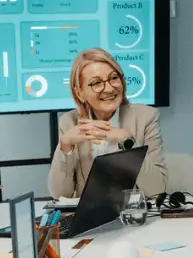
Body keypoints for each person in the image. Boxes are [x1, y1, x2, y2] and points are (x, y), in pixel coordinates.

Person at [48, 49, 167, 198]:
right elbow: (60, 194)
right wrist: (65, 146)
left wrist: (126, 141)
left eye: (114, 78)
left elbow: (157, 188)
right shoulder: (69, 122)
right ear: (80, 93)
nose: (109, 88)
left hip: (135, 216)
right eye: (96, 83)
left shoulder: (146, 117)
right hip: (91, 217)